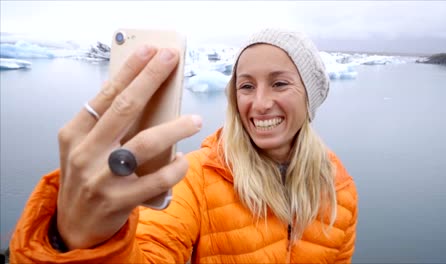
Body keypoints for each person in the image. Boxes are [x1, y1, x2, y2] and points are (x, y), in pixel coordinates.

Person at [9, 28, 358, 263]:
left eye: (280, 83)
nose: (261, 103)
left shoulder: (338, 188)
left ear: (310, 97)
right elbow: (152, 250)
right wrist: (80, 242)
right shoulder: (195, 179)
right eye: (246, 86)